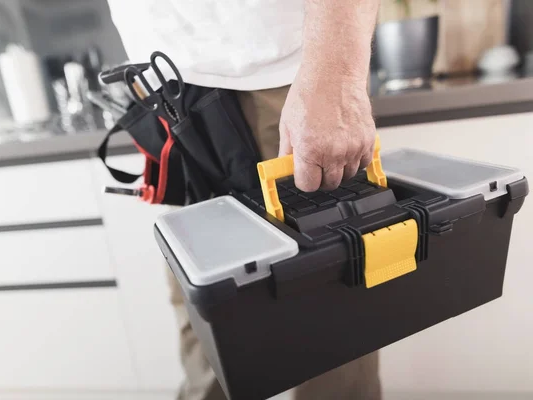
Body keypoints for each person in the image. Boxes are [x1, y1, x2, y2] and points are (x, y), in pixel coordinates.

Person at [107, 1, 381, 399]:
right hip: (169, 95)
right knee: (206, 315)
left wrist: (336, 77)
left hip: (285, 80)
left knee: (331, 317)